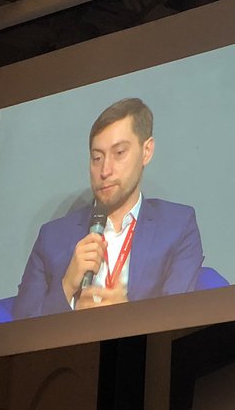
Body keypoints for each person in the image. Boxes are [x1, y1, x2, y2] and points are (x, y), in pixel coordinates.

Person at [13, 97, 206, 318]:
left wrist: (125, 314)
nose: (105, 170)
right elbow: (20, 326)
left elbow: (177, 317)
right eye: (97, 157)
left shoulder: (177, 226)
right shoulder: (52, 237)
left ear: (147, 151)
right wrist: (66, 288)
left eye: (119, 153)